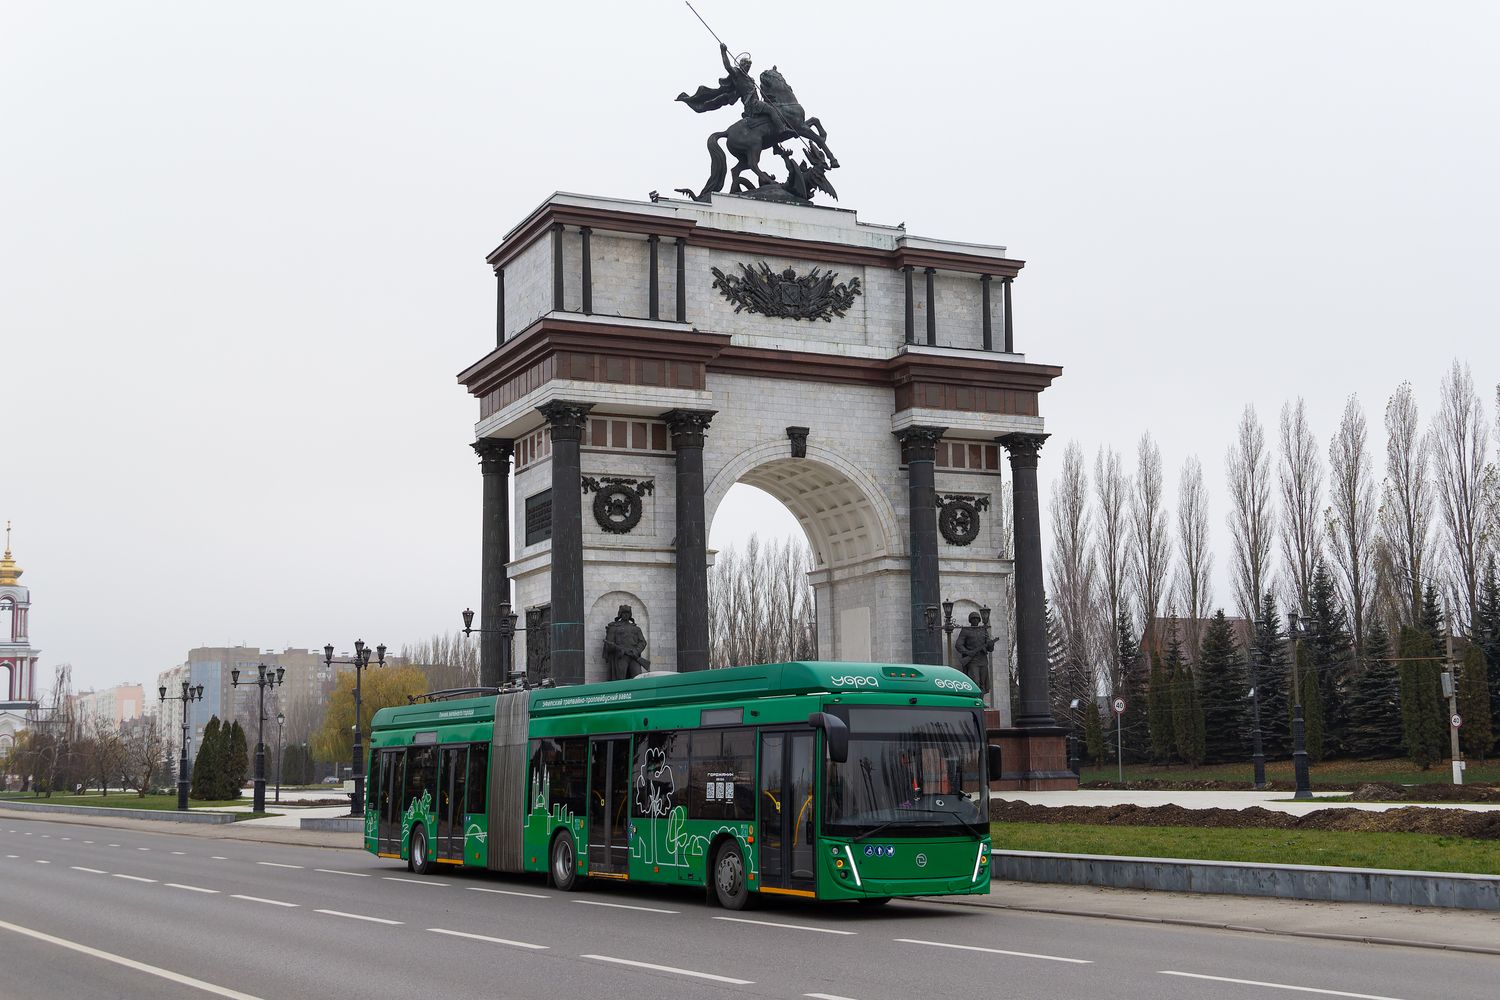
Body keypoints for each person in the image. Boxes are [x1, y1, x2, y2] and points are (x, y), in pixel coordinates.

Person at [953, 612, 998, 694]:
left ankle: (980, 702)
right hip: (972, 661)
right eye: (973, 619)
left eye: (977, 618)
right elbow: (958, 645)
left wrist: (991, 645)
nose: (975, 620)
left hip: (983, 660)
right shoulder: (966, 630)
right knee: (975, 681)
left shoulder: (983, 630)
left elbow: (989, 648)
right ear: (970, 620)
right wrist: (968, 652)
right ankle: (975, 702)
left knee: (982, 684)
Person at [603, 605, 650, 681]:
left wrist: (636, 651)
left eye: (628, 613)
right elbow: (609, 645)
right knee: (620, 678)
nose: (626, 615)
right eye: (624, 613)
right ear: (620, 614)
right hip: (621, 656)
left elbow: (642, 642)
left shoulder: (636, 628)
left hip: (634, 656)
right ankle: (620, 693)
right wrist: (616, 649)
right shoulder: (614, 627)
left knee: (637, 676)